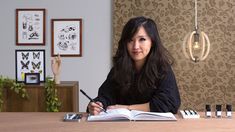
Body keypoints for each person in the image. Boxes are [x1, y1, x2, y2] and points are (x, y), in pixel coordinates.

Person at [87, 16, 181, 115]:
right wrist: (98, 104)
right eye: (130, 40)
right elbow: (106, 95)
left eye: (142, 39)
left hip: (153, 126)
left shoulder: (163, 68)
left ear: (152, 42)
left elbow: (169, 103)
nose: (135, 46)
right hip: (123, 126)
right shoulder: (119, 68)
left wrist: (128, 108)